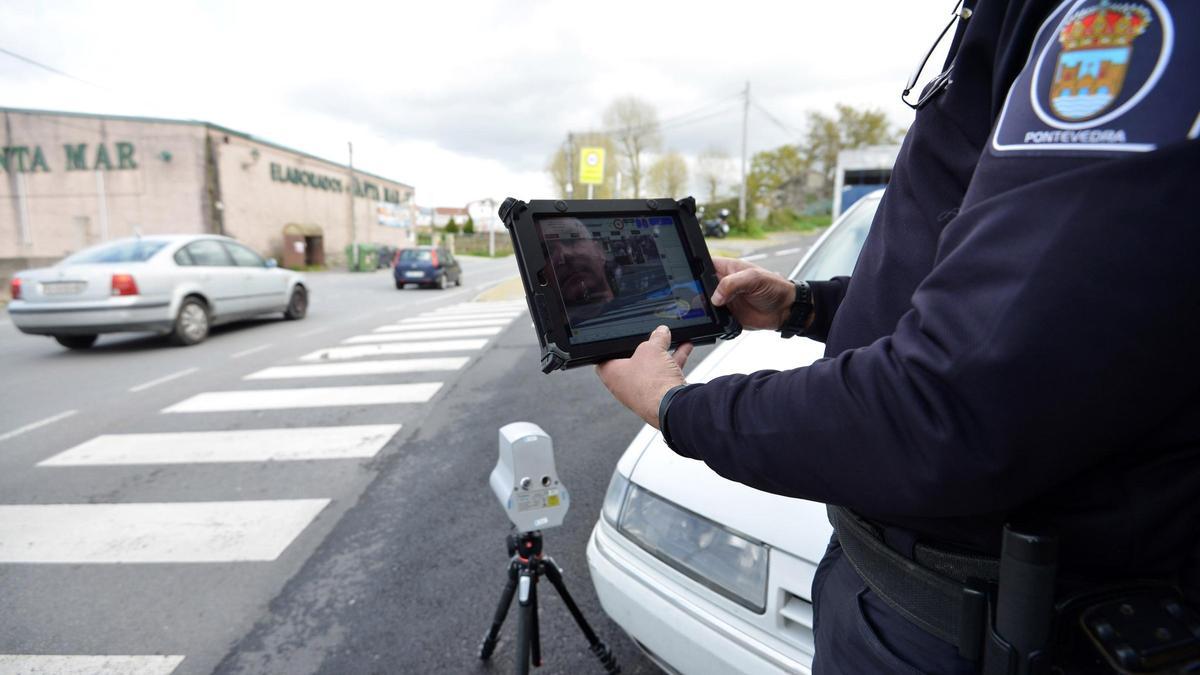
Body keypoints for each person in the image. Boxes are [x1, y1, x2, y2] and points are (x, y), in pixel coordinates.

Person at [595, 0, 1199, 672]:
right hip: (898, 591)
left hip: (968, 627)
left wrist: (679, 406)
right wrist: (805, 305)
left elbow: (948, 403)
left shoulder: (1119, 19)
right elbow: (983, 302)